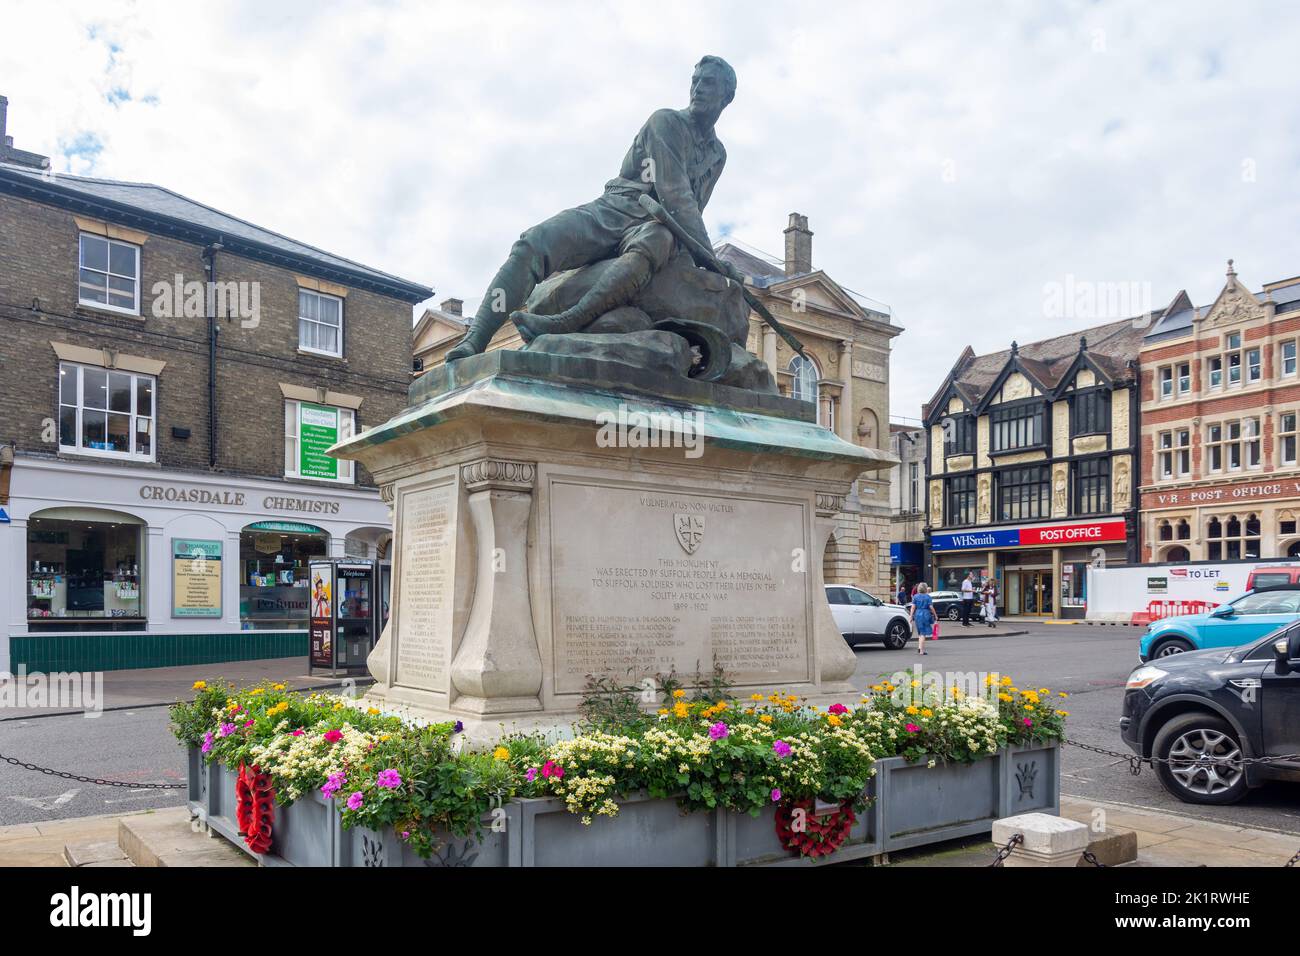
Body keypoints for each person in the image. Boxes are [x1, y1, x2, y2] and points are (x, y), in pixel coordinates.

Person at [446, 56, 741, 359]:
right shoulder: (666, 121)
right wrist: (711, 259)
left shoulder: (718, 154)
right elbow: (676, 194)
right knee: (533, 243)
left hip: (656, 227)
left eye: (708, 83)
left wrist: (706, 262)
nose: (697, 88)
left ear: (727, 96)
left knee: (659, 238)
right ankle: (475, 338)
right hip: (617, 208)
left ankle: (568, 321)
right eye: (695, 81)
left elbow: (691, 208)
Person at [910, 583, 934, 655]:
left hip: (917, 614)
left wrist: (911, 616)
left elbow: (913, 607)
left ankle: (919, 647)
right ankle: (921, 651)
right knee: (923, 633)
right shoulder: (928, 597)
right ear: (925, 589)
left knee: (920, 632)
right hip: (925, 614)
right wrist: (935, 615)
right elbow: (931, 607)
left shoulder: (915, 596)